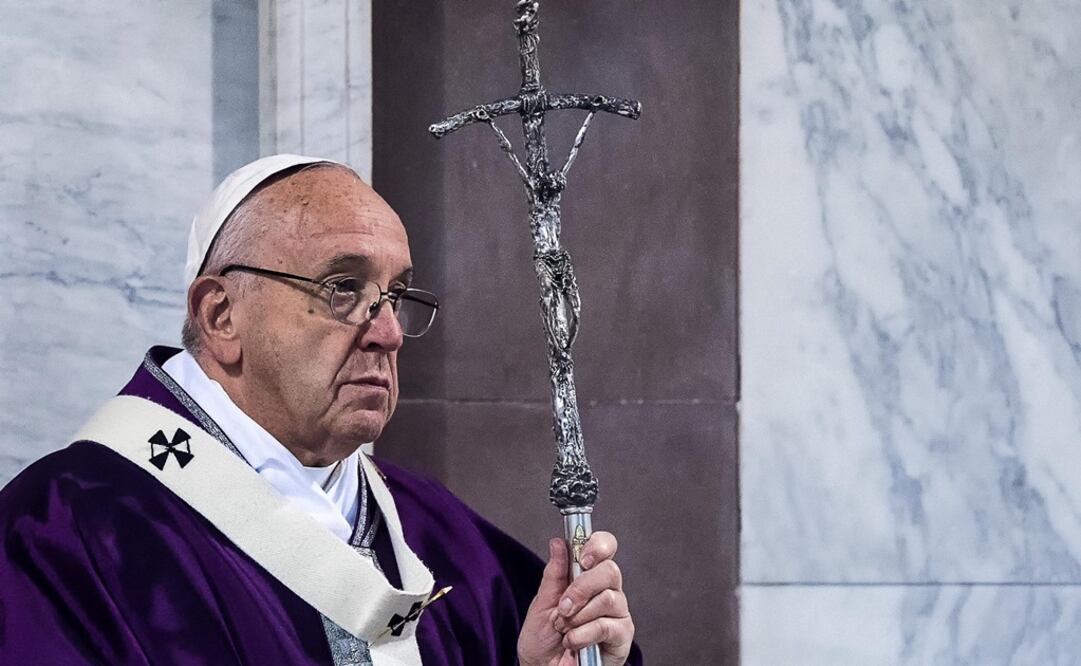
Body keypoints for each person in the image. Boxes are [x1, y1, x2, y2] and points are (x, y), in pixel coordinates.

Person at [0, 155, 639, 665]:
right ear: (221, 316)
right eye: (344, 289)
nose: (387, 331)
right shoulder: (61, 532)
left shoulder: (435, 529)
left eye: (395, 295)